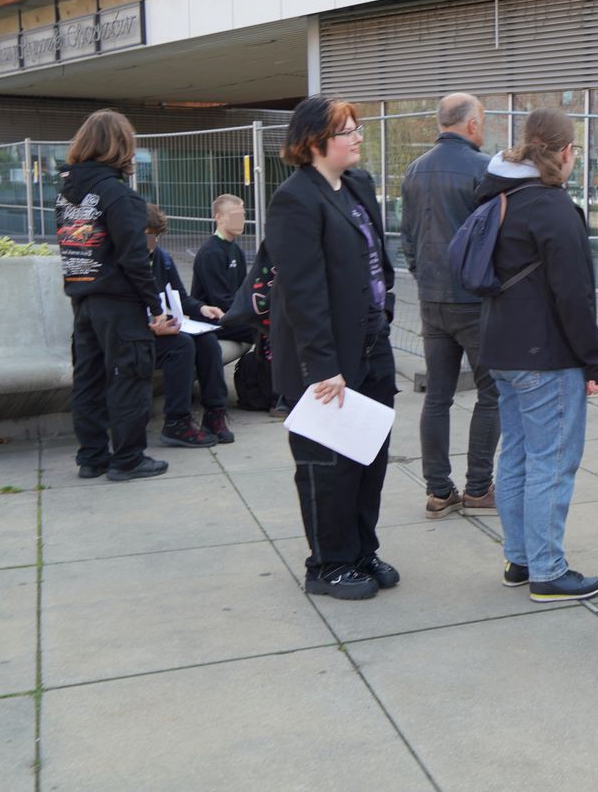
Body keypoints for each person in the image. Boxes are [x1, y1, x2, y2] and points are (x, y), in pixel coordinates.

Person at [475, 107, 598, 604]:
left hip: (502, 349)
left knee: (517, 456)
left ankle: (521, 559)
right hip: (545, 356)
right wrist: (593, 361)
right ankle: (548, 571)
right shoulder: (553, 208)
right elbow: (574, 296)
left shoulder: (500, 196)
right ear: (568, 151)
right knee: (551, 463)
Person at [267, 95, 399, 602]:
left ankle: (362, 551)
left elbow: (376, 259)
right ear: (315, 141)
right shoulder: (296, 199)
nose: (358, 137)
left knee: (370, 458)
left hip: (371, 343)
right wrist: (324, 366)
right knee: (329, 467)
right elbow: (302, 292)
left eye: (356, 127)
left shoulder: (357, 185)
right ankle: (328, 563)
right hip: (326, 358)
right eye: (347, 131)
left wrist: (384, 311)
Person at [401, 93, 502, 520]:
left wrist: (423, 275)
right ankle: (478, 488)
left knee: (437, 397)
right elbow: (497, 236)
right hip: (475, 300)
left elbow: (407, 235)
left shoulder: (415, 169)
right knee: (491, 393)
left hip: (432, 298)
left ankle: (439, 491)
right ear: (472, 124)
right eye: (483, 121)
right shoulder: (485, 168)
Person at [57, 109, 170, 482]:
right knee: (129, 378)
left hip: (83, 301)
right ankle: (128, 459)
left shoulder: (67, 194)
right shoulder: (118, 195)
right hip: (119, 306)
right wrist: (155, 306)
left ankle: (92, 457)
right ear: (120, 147)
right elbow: (134, 258)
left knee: (88, 381)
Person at [143, 205, 232, 447]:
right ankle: (177, 421)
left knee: (207, 341)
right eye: (148, 236)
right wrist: (151, 326)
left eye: (156, 236)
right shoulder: (126, 260)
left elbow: (181, 297)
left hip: (159, 328)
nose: (152, 242)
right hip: (138, 334)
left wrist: (202, 308)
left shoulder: (161, 258)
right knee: (181, 345)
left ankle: (214, 413)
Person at [190, 194, 256, 345]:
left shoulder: (236, 250)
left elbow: (242, 290)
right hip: (211, 319)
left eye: (243, 215)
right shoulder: (211, 253)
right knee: (262, 328)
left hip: (230, 314)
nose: (241, 220)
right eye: (235, 215)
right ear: (219, 217)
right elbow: (220, 301)